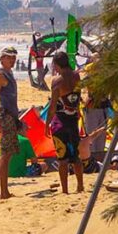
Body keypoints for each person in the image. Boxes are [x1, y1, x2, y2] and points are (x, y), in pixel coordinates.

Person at [46, 51, 84, 194]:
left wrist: (46, 124)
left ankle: (65, 190)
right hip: (73, 121)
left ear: (56, 65)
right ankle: (80, 186)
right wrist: (78, 110)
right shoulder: (76, 76)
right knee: (75, 157)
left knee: (62, 158)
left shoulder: (57, 81)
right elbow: (77, 97)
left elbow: (53, 106)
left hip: (60, 122)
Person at [0, 47, 19, 200]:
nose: (12, 60)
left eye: (13, 58)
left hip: (11, 116)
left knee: (4, 155)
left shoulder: (9, 73)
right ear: (2, 59)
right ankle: (4, 192)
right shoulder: (0, 75)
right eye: (9, 57)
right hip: (5, 116)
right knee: (6, 155)